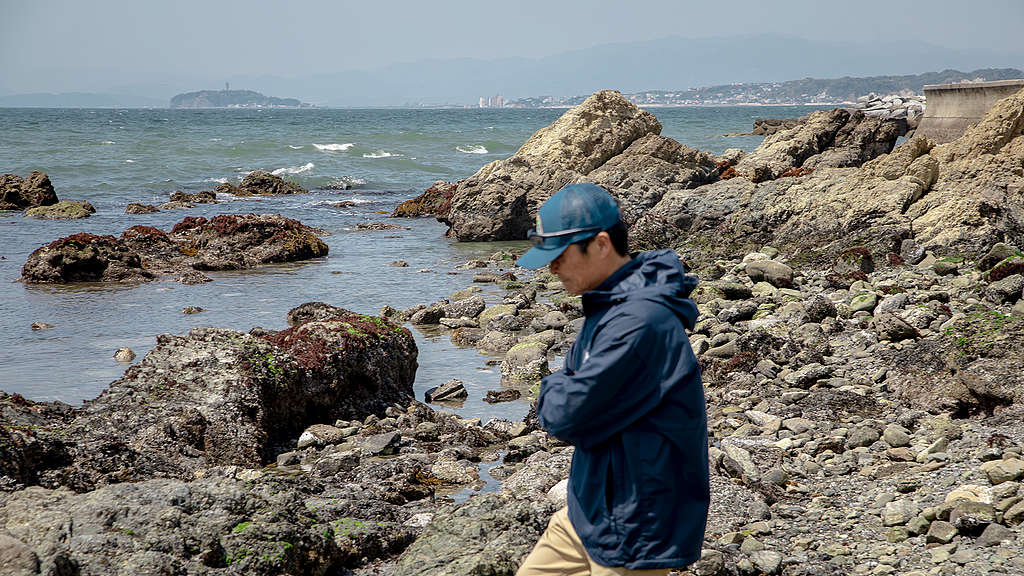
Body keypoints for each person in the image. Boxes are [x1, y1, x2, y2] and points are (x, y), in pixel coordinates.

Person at [514, 183, 709, 575]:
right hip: (590, 509)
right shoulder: (608, 305)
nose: (551, 267)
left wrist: (556, 383)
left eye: (560, 255)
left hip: (634, 523)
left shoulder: (639, 322)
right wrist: (566, 382)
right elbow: (575, 395)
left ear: (601, 244)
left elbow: (564, 415)